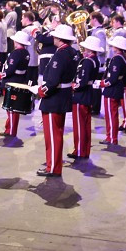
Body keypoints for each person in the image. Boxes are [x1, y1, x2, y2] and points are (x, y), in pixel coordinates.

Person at [35, 24, 77, 177]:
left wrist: (41, 91)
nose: (53, 37)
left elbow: (53, 80)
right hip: (63, 95)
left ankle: (53, 167)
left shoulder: (61, 54)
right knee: (57, 133)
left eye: (55, 36)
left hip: (55, 97)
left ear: (59, 38)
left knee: (53, 135)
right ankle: (54, 165)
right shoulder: (72, 52)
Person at [69, 35, 103, 160]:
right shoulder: (95, 60)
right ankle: (84, 149)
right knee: (85, 124)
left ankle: (79, 150)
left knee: (79, 125)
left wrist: (73, 87)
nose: (83, 50)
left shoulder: (88, 61)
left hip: (81, 96)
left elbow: (82, 81)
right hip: (88, 94)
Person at [0, 30, 31, 140]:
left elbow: (10, 68)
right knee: (12, 108)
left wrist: (3, 75)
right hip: (20, 80)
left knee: (11, 108)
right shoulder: (26, 53)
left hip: (12, 80)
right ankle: (9, 128)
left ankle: (11, 130)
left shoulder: (16, 53)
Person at [101, 36, 126, 146]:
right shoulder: (122, 58)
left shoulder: (117, 58)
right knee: (112, 114)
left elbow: (113, 78)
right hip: (117, 88)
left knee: (111, 115)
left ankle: (111, 137)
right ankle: (111, 136)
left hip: (112, 89)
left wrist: (102, 84)